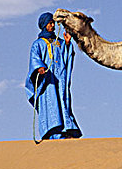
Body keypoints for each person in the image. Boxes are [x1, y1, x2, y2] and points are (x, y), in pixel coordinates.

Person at [25, 12, 82, 140]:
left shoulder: (59, 42)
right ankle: (54, 134)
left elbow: (66, 56)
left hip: (59, 80)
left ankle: (67, 130)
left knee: (63, 102)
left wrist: (67, 44)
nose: (53, 25)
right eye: (50, 23)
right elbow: (34, 58)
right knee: (50, 103)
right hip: (47, 81)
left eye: (53, 23)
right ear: (44, 25)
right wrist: (39, 67)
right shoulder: (38, 44)